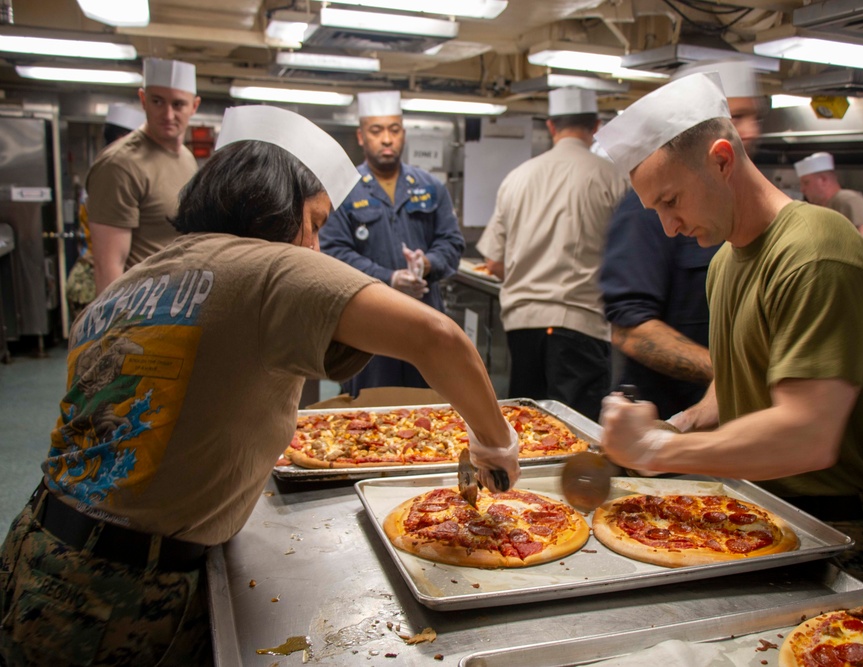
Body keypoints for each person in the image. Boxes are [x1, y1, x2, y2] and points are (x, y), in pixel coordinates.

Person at [0, 105, 519, 667]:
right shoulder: (269, 265)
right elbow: (438, 338)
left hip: (38, 552)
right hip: (125, 596)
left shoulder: (134, 281)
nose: (317, 248)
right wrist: (494, 441)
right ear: (276, 204)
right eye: (316, 224)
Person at [594, 72, 863, 586]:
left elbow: (808, 434)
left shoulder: (815, 251)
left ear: (722, 160)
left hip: (846, 543)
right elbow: (733, 387)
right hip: (763, 516)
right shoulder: (727, 261)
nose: (668, 228)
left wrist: (660, 453)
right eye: (656, 209)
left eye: (671, 200)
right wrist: (674, 425)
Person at [599, 59, 762, 419]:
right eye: (735, 117)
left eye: (753, 116)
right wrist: (736, 377)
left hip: (732, 427)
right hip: (664, 418)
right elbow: (630, 329)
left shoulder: (756, 223)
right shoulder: (650, 208)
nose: (748, 130)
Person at [477, 87, 629, 421]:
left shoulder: (517, 178)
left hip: (521, 327)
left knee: (528, 428)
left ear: (550, 126)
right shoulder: (612, 177)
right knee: (576, 433)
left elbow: (494, 263)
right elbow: (628, 258)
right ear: (596, 126)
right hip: (579, 325)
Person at [320, 90, 465, 395]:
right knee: (369, 414)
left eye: (394, 130)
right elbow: (332, 253)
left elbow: (451, 243)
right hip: (367, 325)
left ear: (403, 134)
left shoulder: (430, 187)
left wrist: (426, 264)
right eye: (376, 131)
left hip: (425, 320)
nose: (387, 139)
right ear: (361, 137)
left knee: (428, 409)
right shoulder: (343, 188)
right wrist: (388, 279)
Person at [86, 57, 201, 295]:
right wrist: (112, 329)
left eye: (178, 104)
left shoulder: (187, 159)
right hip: (138, 310)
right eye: (158, 101)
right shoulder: (120, 164)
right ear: (143, 100)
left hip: (174, 303)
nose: (168, 114)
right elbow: (108, 267)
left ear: (194, 106)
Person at [66, 103, 148, 322]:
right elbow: (110, 261)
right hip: (93, 282)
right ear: (124, 137)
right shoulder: (112, 172)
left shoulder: (109, 169)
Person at [795, 151, 863, 262]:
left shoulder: (847, 199)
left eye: (806, 182)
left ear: (823, 180)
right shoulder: (822, 207)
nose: (802, 189)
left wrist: (841, 260)